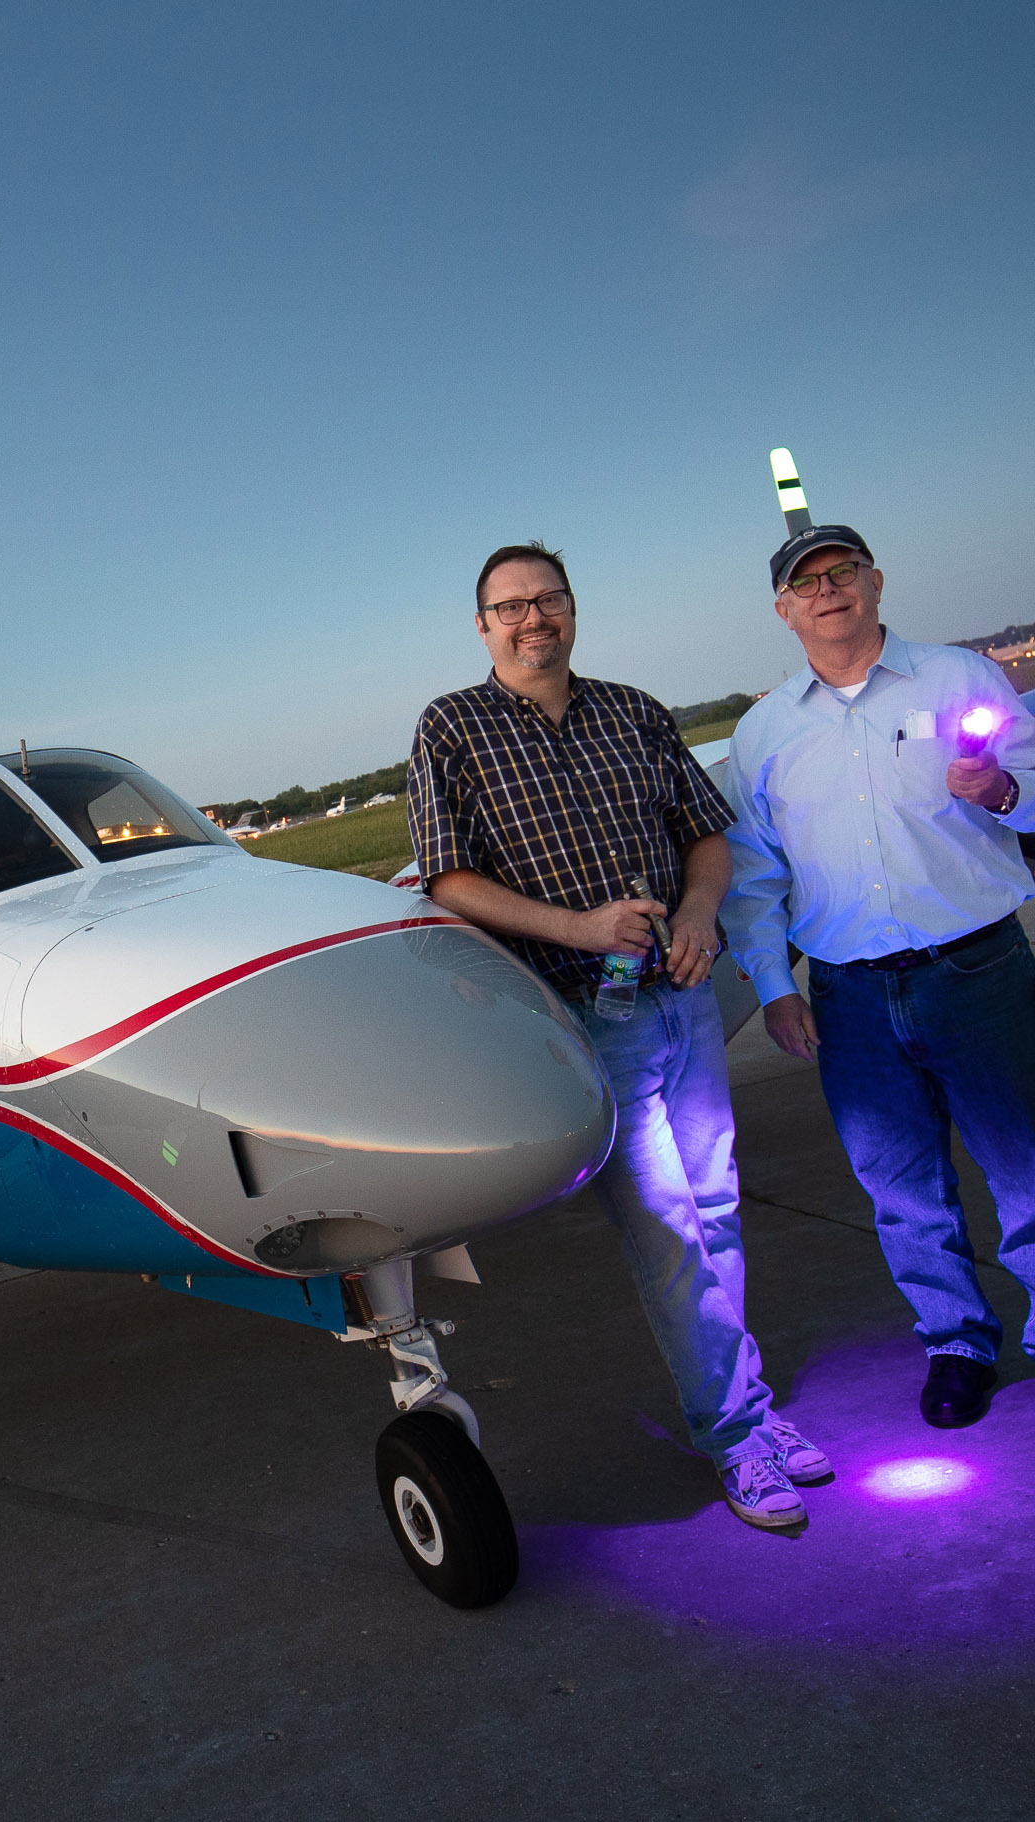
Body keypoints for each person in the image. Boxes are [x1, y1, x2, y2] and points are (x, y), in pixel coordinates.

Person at [408, 541, 831, 1532]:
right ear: (484, 626)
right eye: (511, 606)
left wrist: (699, 912)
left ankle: (748, 1406)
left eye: (548, 599)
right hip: (582, 1016)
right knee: (667, 1231)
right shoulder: (452, 727)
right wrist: (580, 928)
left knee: (716, 1208)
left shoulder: (633, 710)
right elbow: (447, 879)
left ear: (571, 608)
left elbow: (706, 833)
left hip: (681, 995)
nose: (533, 618)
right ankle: (735, 1435)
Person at [719, 524, 1035, 1437]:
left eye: (842, 572)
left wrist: (1001, 791)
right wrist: (774, 986)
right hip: (849, 997)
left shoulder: (958, 678)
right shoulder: (763, 733)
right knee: (902, 1190)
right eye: (805, 582)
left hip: (978, 972)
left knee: (1028, 1170)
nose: (827, 590)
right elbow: (753, 878)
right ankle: (957, 1344)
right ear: (783, 611)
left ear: (874, 581)